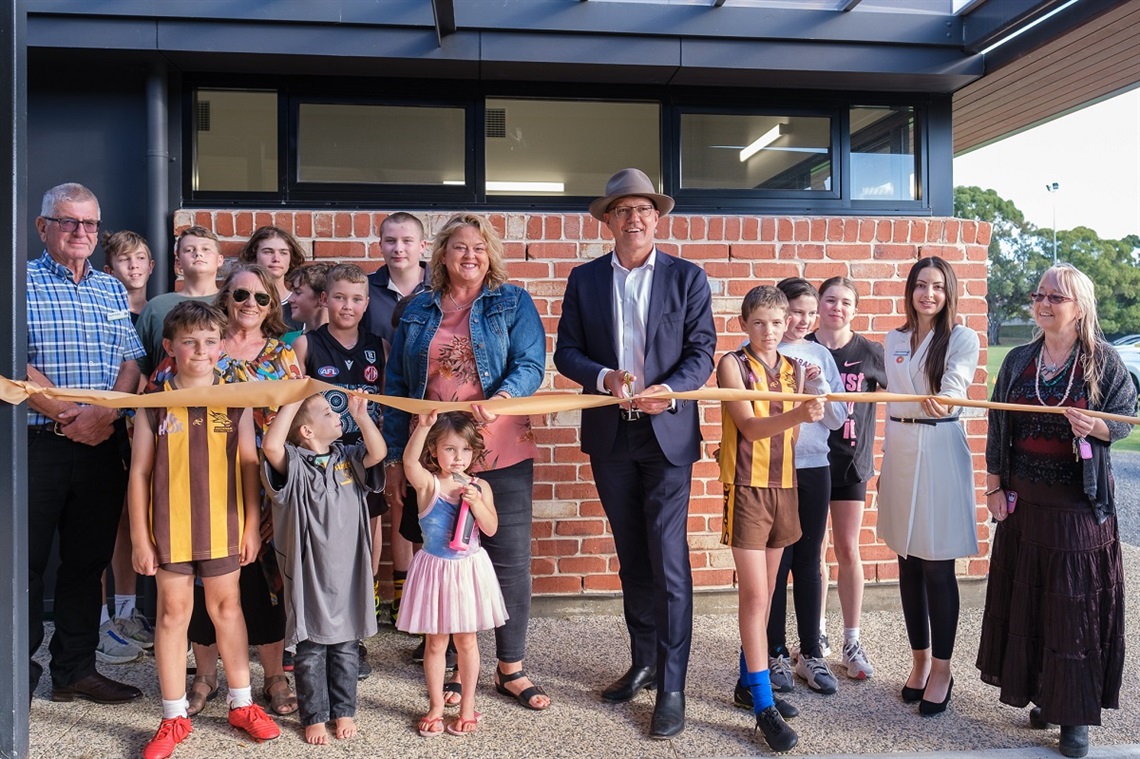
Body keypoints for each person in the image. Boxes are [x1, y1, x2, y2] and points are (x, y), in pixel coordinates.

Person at [553, 168, 716, 738]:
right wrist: (602, 378)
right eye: (623, 209)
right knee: (631, 556)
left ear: (657, 216)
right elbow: (566, 353)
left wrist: (668, 392)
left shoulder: (687, 277)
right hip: (611, 434)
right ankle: (644, 661)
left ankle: (672, 685)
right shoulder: (586, 278)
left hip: (667, 433)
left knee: (668, 558)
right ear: (608, 220)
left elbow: (702, 352)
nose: (635, 218)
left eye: (645, 209)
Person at [383, 212, 549, 711]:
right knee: (445, 556)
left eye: (478, 247)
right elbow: (396, 387)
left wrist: (503, 396)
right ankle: (456, 664)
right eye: (459, 247)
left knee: (508, 559)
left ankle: (510, 669)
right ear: (442, 255)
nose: (469, 255)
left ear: (490, 253)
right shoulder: (417, 310)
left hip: (503, 448)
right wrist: (396, 457)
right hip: (436, 459)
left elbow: (531, 364)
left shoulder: (512, 301)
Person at [978, 264, 1135, 759]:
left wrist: (1097, 429)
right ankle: (1045, 696)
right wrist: (994, 489)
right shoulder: (1020, 360)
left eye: (1057, 297)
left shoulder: (1103, 361)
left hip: (1077, 510)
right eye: (1039, 295)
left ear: (1080, 306)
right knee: (1036, 605)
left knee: (1074, 611)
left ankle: (1074, 715)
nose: (1044, 304)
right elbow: (999, 428)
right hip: (1025, 508)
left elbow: (1126, 420)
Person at [128, 301, 279, 759]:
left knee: (227, 609)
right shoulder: (154, 404)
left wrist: (253, 525)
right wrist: (139, 536)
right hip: (170, 526)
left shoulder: (236, 401)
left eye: (210, 341)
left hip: (224, 523)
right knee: (174, 614)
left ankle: (242, 703)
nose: (200, 349)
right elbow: (137, 473)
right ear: (170, 347)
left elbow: (251, 466)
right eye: (190, 341)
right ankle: (173, 715)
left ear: (221, 347)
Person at [151, 264, 303, 718]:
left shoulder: (282, 354)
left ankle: (273, 676)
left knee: (261, 584)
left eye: (260, 298)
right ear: (225, 298)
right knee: (194, 591)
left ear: (271, 304)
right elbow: (155, 404)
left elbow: (299, 411)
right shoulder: (193, 343)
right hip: (192, 486)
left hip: (257, 483)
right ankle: (204, 675)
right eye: (240, 295)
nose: (249, 305)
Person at [25, 182, 145, 705]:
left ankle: (74, 668)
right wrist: (64, 413)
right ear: (43, 227)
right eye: (69, 222)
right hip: (36, 445)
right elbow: (8, 361)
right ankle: (17, 673)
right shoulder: (17, 281)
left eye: (91, 224)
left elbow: (133, 361)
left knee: (86, 561)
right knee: (23, 563)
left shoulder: (111, 289)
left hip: (103, 443)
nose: (81, 232)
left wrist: (106, 413)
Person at [717, 285, 828, 752]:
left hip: (785, 487)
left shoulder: (793, 368)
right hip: (746, 488)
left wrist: (808, 402)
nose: (768, 331)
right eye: (759, 322)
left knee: (768, 595)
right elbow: (751, 426)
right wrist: (802, 409)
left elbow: (797, 427)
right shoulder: (731, 364)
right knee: (755, 596)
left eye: (777, 323)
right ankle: (763, 705)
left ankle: (749, 683)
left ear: (789, 326)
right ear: (745, 323)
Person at [877, 256, 979, 716]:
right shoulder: (894, 339)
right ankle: (918, 662)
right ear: (910, 290)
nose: (928, 295)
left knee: (937, 565)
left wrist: (945, 397)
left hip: (939, 447)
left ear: (948, 292)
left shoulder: (962, 338)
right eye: (921, 285)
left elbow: (955, 385)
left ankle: (942, 668)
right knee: (907, 562)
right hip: (900, 449)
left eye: (937, 287)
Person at [263, 393, 385, 745]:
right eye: (328, 412)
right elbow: (272, 446)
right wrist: (289, 401)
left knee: (347, 646)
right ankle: (314, 715)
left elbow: (377, 453)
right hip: (310, 576)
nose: (337, 415)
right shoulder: (296, 463)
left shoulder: (348, 458)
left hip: (349, 574)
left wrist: (362, 416)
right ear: (305, 430)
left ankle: (344, 710)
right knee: (311, 647)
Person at [292, 262, 386, 679]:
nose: (348, 306)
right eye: (340, 297)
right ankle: (309, 633)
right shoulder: (305, 345)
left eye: (357, 298)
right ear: (325, 300)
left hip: (365, 457)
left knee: (367, 540)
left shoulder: (379, 346)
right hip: (320, 464)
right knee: (319, 546)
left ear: (367, 303)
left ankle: (355, 632)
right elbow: (293, 409)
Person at [398, 411, 507, 737]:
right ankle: (434, 706)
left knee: (467, 642)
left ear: (474, 452)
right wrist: (424, 426)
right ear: (434, 451)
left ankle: (467, 706)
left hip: (468, 572)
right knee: (435, 643)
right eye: (448, 449)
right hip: (435, 571)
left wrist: (477, 503)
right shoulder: (428, 483)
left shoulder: (480, 486)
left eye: (464, 450)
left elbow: (490, 527)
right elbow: (408, 464)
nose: (457, 457)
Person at [765, 278, 846, 697]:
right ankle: (774, 652)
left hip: (815, 467)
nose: (803, 320)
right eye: (795, 311)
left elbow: (835, 421)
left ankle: (810, 654)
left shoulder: (820, 355)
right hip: (776, 470)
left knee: (809, 562)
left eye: (811, 314)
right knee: (777, 565)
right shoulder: (765, 354)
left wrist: (817, 387)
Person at [809, 275, 887, 681]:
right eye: (829, 299)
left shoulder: (871, 353)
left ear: (855, 310)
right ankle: (816, 636)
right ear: (818, 304)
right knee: (814, 553)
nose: (836, 307)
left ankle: (852, 639)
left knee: (847, 549)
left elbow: (905, 390)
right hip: (810, 462)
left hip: (851, 463)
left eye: (845, 302)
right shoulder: (803, 349)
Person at [365, 212, 430, 626]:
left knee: (421, 502)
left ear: (423, 246)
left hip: (426, 410)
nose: (398, 248)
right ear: (381, 245)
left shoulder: (441, 286)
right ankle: (378, 599)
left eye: (407, 240)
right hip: (376, 410)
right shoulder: (366, 291)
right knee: (388, 501)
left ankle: (413, 599)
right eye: (390, 240)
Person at [99, 229, 157, 659]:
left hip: (150, 426)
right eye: (124, 261)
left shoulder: (162, 312)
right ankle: (104, 620)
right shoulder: (104, 306)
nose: (133, 267)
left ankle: (127, 610)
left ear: (151, 266)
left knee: (131, 516)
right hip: (111, 422)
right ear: (109, 269)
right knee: (104, 518)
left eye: (140, 259)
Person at [136, 226, 225, 377]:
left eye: (206, 249)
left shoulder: (233, 305)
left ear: (220, 260)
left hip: (222, 397)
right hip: (165, 396)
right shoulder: (156, 307)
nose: (198, 254)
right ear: (178, 263)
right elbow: (138, 367)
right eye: (189, 250)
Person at [238, 226, 307, 334]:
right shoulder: (242, 303)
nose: (276, 259)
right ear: (254, 256)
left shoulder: (301, 303)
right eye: (268, 252)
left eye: (283, 252)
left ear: (291, 258)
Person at [286, 262, 329, 335]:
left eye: (298, 292)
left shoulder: (348, 342)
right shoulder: (286, 341)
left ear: (322, 298)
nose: (289, 299)